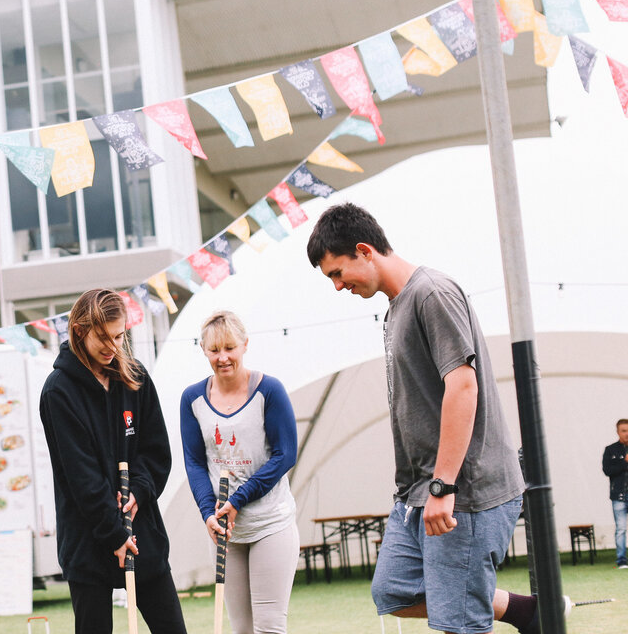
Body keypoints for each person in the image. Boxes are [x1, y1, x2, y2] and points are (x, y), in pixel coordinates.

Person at [306, 202, 563, 634]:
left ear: (364, 250)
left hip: (464, 491)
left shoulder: (432, 293)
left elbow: (463, 386)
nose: (337, 286)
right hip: (417, 493)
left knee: (459, 621)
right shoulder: (396, 307)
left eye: (337, 273)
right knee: (393, 592)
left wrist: (444, 484)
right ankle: (524, 611)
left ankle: (486, 606)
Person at [39, 288, 188, 634]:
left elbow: (156, 452)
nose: (113, 346)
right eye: (103, 338)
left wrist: (140, 490)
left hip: (142, 533)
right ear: (79, 331)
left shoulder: (134, 378)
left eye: (119, 336)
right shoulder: (59, 391)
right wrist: (114, 535)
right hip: (89, 541)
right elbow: (81, 476)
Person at [180, 310, 299, 634]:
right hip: (225, 531)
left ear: (245, 345)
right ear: (204, 350)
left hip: (269, 524)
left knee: (269, 627)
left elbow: (286, 454)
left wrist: (239, 499)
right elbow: (194, 462)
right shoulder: (193, 399)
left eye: (229, 348)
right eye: (214, 350)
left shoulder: (268, 390)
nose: (223, 358)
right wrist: (209, 512)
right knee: (242, 629)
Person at [602, 418, 628, 568]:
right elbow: (607, 470)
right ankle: (622, 560)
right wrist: (624, 463)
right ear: (618, 432)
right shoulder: (610, 450)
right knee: (621, 528)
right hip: (618, 496)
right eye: (624, 431)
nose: (626, 434)